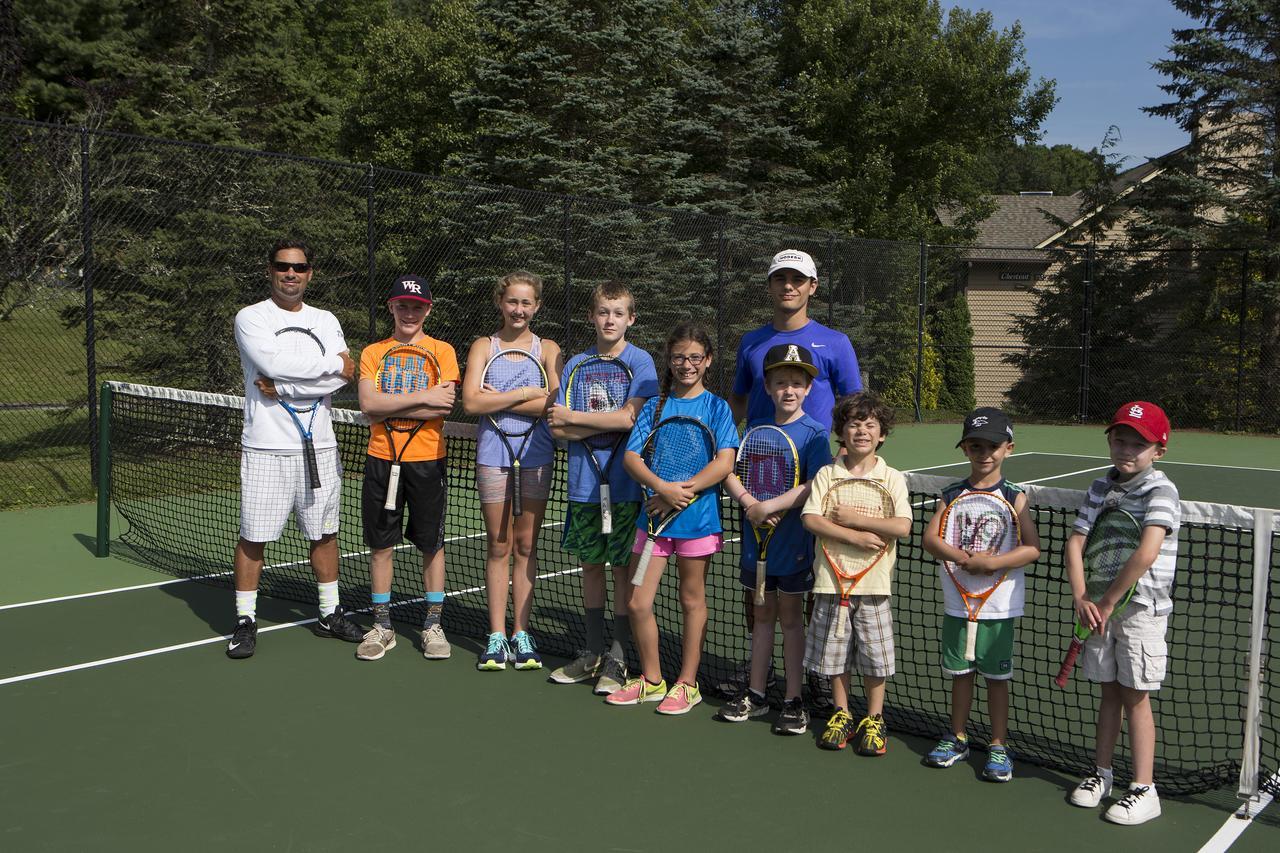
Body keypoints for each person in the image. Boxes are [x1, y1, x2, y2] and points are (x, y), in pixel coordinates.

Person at [724, 249, 862, 697]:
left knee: (813, 582)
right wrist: (727, 451)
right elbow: (740, 404)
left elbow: (854, 406)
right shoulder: (751, 342)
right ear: (770, 286)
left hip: (812, 478)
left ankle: (814, 672)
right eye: (780, 278)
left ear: (812, 287)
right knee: (760, 581)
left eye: (797, 279)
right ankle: (759, 669)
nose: (789, 286)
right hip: (758, 478)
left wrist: (844, 463)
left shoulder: (836, 343)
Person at [226, 239, 362, 659]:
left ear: (310, 273)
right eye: (283, 266)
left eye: (299, 267)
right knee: (254, 536)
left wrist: (285, 386)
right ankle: (245, 621)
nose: (291, 274)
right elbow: (274, 363)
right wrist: (328, 368)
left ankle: (329, 613)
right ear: (270, 270)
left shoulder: (324, 319)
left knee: (324, 533)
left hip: (320, 446)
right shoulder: (251, 317)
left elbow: (348, 371)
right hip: (265, 448)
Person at [605, 322, 738, 715]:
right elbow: (631, 458)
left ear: (708, 360)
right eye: (679, 357)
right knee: (637, 601)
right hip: (653, 523)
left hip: (698, 522)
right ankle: (651, 679)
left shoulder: (717, 407)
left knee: (691, 599)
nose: (686, 364)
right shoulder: (655, 406)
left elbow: (725, 461)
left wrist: (683, 490)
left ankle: (687, 683)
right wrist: (661, 488)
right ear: (670, 358)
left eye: (695, 357)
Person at [1065, 402, 1178, 825]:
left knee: (1135, 697)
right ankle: (1102, 774)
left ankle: (1145, 789)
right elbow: (1076, 543)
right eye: (1120, 439)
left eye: (1138, 443)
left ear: (1158, 450)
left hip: (1139, 610)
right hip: (1098, 607)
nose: (1127, 449)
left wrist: (1109, 601)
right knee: (1108, 693)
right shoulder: (1099, 488)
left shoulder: (1160, 491)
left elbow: (1146, 552)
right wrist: (1082, 596)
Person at [545, 281, 659, 694]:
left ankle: (618, 655)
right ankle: (592, 652)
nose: (609, 320)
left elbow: (630, 420)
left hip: (627, 488)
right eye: (603, 312)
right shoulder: (575, 363)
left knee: (622, 569)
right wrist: (575, 422)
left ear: (631, 318)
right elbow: (558, 423)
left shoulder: (641, 362)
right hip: (583, 486)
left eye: (618, 313)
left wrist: (577, 421)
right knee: (590, 567)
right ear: (592, 317)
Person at [920, 408, 1041, 781]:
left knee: (996, 678)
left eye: (993, 446)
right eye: (975, 445)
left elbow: (1032, 548)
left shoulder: (1014, 496)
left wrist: (994, 563)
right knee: (960, 673)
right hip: (958, 602)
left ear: (1008, 448)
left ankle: (998, 744)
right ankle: (956, 737)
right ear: (964, 449)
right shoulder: (952, 494)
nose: (984, 453)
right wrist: (962, 558)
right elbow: (930, 538)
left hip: (998, 604)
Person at [719, 344, 830, 734]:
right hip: (755, 544)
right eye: (781, 382)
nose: (789, 390)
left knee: (791, 621)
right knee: (761, 617)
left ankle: (794, 698)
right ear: (766, 386)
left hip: (794, 547)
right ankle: (756, 691)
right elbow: (729, 470)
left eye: (797, 383)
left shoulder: (815, 434)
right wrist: (751, 502)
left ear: (808, 388)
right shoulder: (754, 430)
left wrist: (771, 507)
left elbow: (816, 484)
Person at [354, 275, 460, 661]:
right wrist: (423, 397)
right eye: (403, 305)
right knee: (381, 545)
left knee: (431, 544)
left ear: (427, 309)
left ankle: (433, 624)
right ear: (391, 307)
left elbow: (443, 407)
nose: (410, 312)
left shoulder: (443, 351)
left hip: (428, 459)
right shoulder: (372, 352)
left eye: (417, 306)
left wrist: (392, 402)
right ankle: (382, 625)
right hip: (382, 456)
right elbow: (368, 404)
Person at [461, 271, 562, 671]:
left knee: (525, 547)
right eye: (512, 302)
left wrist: (497, 400)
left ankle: (521, 632)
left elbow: (554, 407)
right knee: (498, 545)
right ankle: (496, 636)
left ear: (536, 306)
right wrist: (525, 394)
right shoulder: (483, 347)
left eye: (526, 303)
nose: (518, 310)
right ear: (500, 302)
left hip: (536, 457)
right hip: (493, 457)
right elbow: (470, 403)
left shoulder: (548, 348)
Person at [801, 392, 911, 753]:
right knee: (835, 655)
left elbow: (902, 527)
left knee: (874, 657)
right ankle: (842, 713)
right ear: (841, 431)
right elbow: (811, 518)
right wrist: (851, 535)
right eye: (854, 424)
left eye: (870, 425)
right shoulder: (827, 474)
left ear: (881, 434)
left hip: (875, 585)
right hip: (831, 581)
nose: (861, 431)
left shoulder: (892, 477)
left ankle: (875, 719)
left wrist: (859, 522)